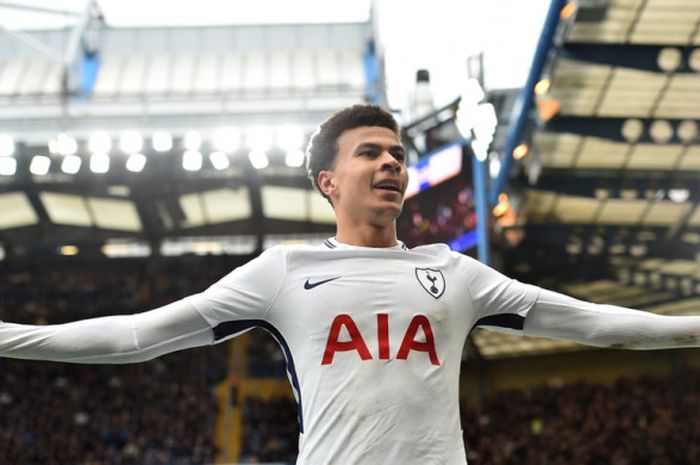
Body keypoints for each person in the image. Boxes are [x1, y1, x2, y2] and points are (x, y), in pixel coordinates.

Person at [1, 104, 699, 465]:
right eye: (371, 152)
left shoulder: (456, 273)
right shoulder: (283, 273)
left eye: (398, 153)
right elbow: (136, 334)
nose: (392, 162)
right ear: (328, 182)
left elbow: (598, 323)